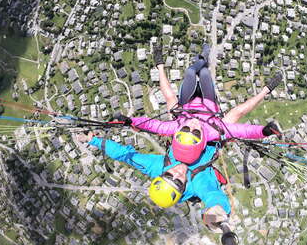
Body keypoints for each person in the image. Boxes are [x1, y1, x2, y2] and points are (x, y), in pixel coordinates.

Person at [116, 42, 282, 165]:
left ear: (178, 133)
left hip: (187, 103)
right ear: (203, 140)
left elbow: (154, 126)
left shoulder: (175, 127)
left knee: (187, 75)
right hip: (209, 106)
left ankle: (160, 63)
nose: (193, 126)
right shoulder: (212, 132)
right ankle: (266, 90)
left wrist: (131, 121)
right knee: (203, 73)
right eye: (196, 133)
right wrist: (265, 131)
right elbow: (243, 130)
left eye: (185, 129)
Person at [77, 131, 237, 233]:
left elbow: (124, 155)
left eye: (169, 176)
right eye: (179, 182)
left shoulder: (157, 167)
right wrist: (216, 212)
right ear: (183, 190)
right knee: (235, 114)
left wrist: (93, 140)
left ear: (161, 176)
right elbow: (213, 195)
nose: (178, 172)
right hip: (211, 138)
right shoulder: (198, 183)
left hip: (185, 133)